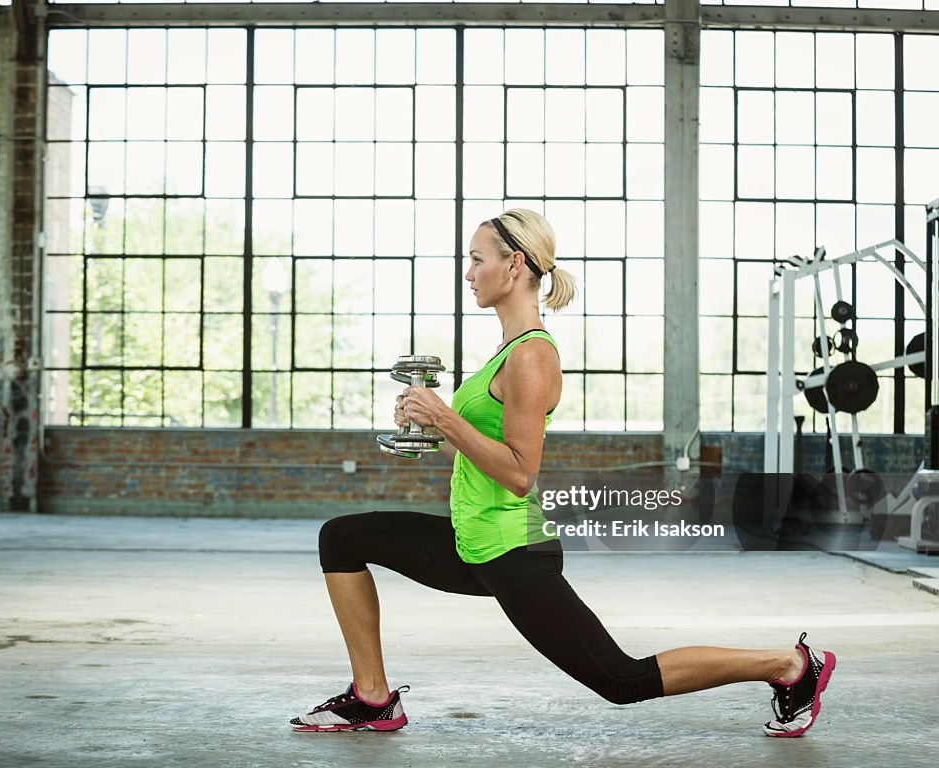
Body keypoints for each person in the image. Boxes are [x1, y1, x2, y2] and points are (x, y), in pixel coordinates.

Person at [289, 209, 835, 737]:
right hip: (471, 543)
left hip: (511, 549)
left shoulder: (532, 356)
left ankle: (789, 665)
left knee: (622, 680)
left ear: (515, 264)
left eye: (476, 258)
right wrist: (432, 427)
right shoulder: (504, 351)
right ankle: (373, 698)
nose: (467, 272)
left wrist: (447, 420)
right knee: (342, 536)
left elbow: (521, 473)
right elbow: (483, 450)